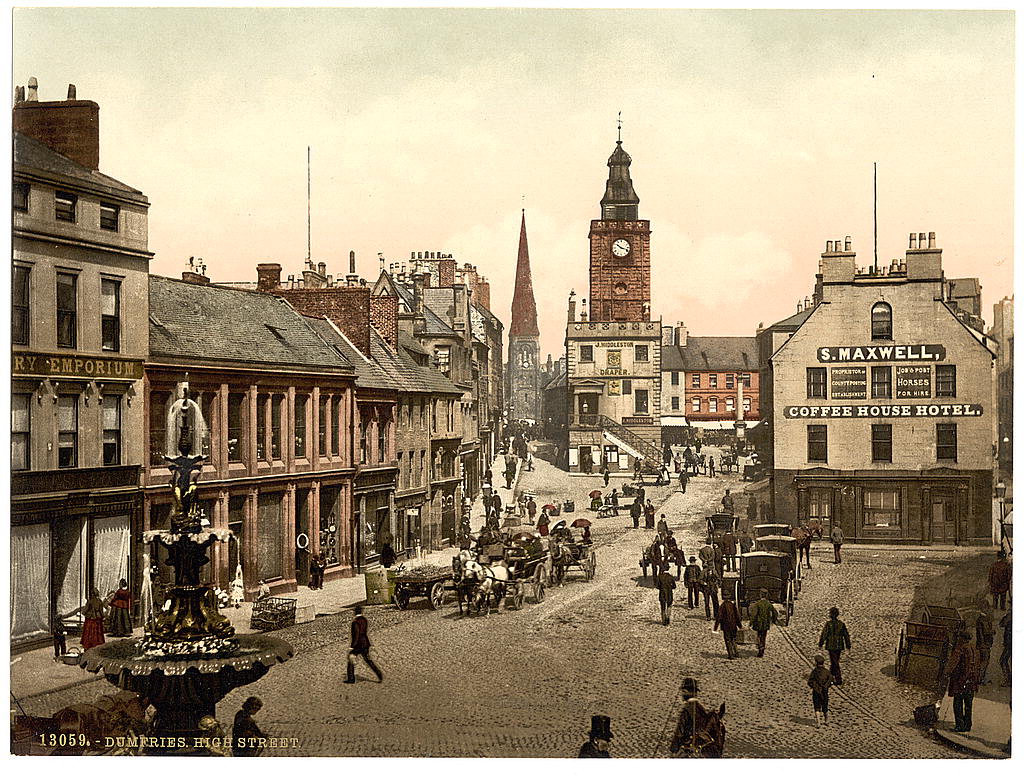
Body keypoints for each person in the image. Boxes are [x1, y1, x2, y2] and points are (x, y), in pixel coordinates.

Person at [944, 630, 980, 733]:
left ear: (962, 639)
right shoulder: (974, 648)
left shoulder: (960, 649)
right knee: (968, 704)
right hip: (972, 681)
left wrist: (947, 673)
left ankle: (959, 725)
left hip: (961, 680)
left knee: (958, 703)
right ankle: (968, 725)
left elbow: (952, 664)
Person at [345, 606, 383, 683]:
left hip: (358, 645)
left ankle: (351, 679)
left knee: (350, 659)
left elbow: (356, 635)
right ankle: (379, 674)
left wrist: (352, 647)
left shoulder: (355, 622)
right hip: (365, 643)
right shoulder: (364, 620)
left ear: (355, 612)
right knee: (368, 660)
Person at [818, 607, 852, 686]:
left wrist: (821, 643)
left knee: (835, 663)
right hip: (839, 646)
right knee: (834, 662)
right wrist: (848, 645)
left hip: (831, 646)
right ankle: (829, 677)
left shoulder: (828, 624)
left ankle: (838, 679)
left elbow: (824, 634)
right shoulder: (841, 624)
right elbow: (846, 635)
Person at [749, 588, 778, 657]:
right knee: (763, 637)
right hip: (766, 623)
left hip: (758, 623)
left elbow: (754, 614)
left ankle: (760, 646)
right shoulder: (769, 604)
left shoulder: (757, 604)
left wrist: (751, 623)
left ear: (760, 595)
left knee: (758, 635)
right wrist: (773, 620)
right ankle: (762, 648)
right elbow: (775, 613)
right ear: (766, 595)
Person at [807, 655, 834, 727]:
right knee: (825, 705)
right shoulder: (827, 672)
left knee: (817, 706)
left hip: (816, 691)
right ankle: (826, 720)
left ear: (816, 663)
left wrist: (813, 686)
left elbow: (810, 681)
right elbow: (831, 680)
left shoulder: (814, 672)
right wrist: (826, 686)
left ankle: (818, 723)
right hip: (824, 691)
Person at [714, 591, 742, 659]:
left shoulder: (722, 606)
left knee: (728, 640)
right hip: (733, 625)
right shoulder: (732, 605)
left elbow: (719, 617)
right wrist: (739, 625)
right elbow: (737, 616)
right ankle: (736, 653)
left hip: (726, 626)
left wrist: (715, 628)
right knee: (733, 639)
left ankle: (731, 654)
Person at [975, 600, 996, 684]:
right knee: (984, 662)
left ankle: (980, 678)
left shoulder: (981, 618)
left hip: (982, 643)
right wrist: (992, 631)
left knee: (982, 662)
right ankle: (980, 679)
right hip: (984, 644)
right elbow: (986, 632)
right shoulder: (984, 619)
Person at [998, 610, 1011, 686]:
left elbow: (1002, 623)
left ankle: (1008, 680)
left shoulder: (1010, 615)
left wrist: (1007, 615)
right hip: (1010, 643)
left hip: (1009, 643)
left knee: (1003, 661)